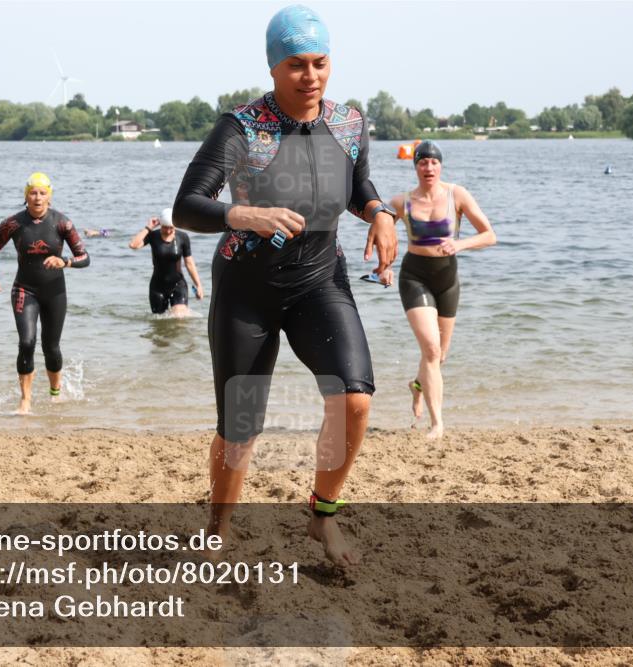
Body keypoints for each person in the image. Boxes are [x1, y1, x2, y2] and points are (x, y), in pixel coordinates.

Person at [172, 4, 397, 567]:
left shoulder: (349, 123)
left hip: (319, 279)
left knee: (354, 400)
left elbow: (357, 184)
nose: (311, 76)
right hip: (247, 289)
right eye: (297, 64)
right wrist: (242, 215)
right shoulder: (242, 126)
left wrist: (379, 212)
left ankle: (323, 518)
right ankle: (219, 526)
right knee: (241, 424)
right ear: (273, 67)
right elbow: (186, 207)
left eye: (320, 63)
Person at [385, 141, 496, 438]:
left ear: (441, 166)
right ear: (415, 166)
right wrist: (384, 267)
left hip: (448, 279)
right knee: (431, 349)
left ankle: (417, 385)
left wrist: (459, 244)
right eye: (423, 162)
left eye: (434, 163)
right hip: (414, 276)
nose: (429, 168)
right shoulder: (401, 201)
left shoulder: (456, 195)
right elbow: (382, 231)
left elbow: (489, 235)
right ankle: (437, 424)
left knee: (439, 355)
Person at [0, 172, 91, 414]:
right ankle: (25, 401)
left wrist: (65, 262)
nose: (38, 198)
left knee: (51, 347)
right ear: (26, 196)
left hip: (55, 292)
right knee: (26, 342)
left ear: (49, 198)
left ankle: (55, 394)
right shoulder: (13, 224)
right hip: (24, 289)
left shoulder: (62, 223)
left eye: (43, 193)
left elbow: (85, 258)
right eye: (33, 193)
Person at [129, 208, 203, 315]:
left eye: (171, 228)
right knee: (159, 323)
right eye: (165, 228)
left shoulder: (182, 237)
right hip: (157, 287)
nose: (168, 231)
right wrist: (148, 228)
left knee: (179, 317)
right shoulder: (153, 236)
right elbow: (133, 245)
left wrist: (198, 285)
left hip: (178, 284)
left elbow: (189, 263)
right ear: (160, 225)